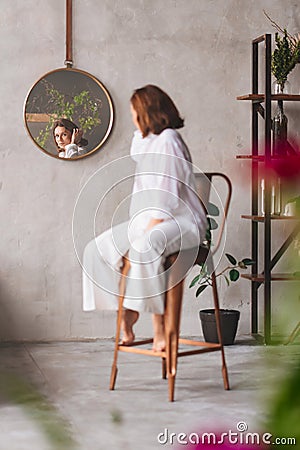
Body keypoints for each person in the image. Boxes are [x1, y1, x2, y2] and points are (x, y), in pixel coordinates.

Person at [82, 85, 207, 351]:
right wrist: (142, 129)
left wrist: (152, 224)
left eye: (135, 115)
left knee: (145, 246)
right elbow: (136, 151)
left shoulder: (170, 140)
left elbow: (168, 193)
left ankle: (157, 327)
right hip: (150, 218)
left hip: (182, 221)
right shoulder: (151, 141)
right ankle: (124, 311)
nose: (133, 120)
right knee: (97, 249)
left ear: (147, 112)